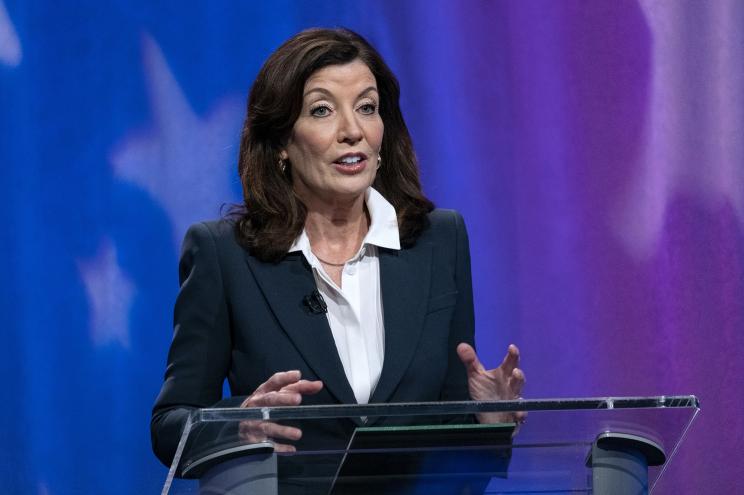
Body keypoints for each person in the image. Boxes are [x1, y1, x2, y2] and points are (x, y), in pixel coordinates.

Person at [151, 26, 525, 481]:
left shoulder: (438, 241)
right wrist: (236, 423)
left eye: (367, 108)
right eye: (322, 110)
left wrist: (488, 422)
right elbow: (169, 427)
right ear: (282, 144)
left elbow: (443, 426)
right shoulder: (224, 255)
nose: (352, 131)